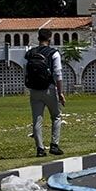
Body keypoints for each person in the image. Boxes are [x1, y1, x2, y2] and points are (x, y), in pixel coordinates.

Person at [26, 28, 66, 157]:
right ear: (50, 38)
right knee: (56, 116)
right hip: (49, 88)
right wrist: (60, 93)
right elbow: (58, 74)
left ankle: (40, 149)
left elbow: (25, 71)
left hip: (34, 90)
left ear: (38, 38)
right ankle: (54, 145)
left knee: (37, 119)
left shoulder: (30, 53)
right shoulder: (53, 53)